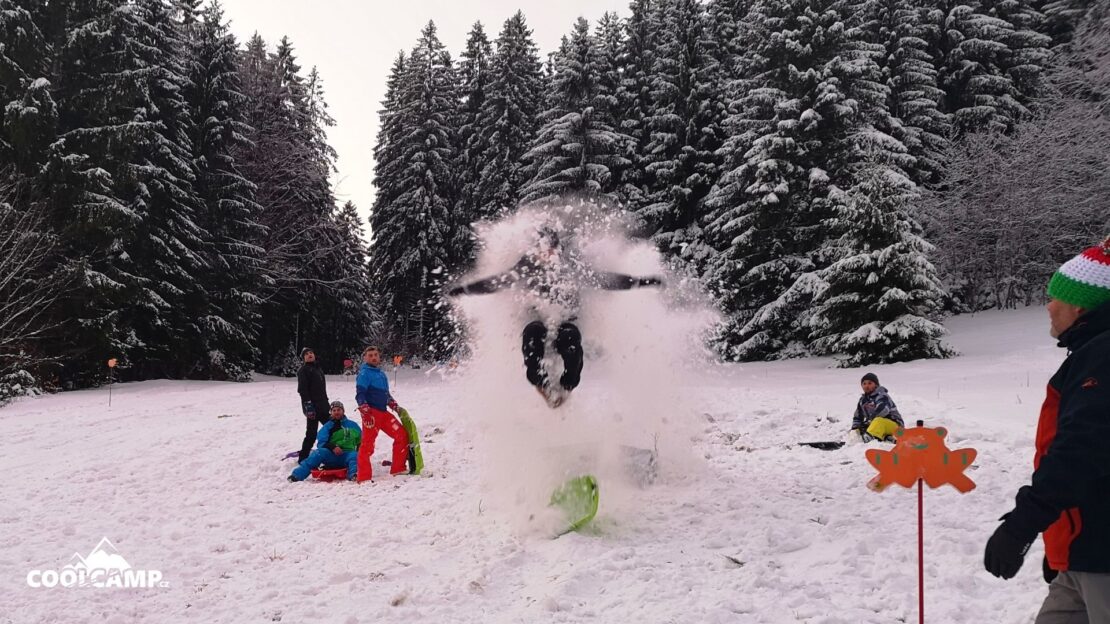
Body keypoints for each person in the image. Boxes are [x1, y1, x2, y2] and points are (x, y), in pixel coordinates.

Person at [984, 237, 1110, 623]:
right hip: (1084, 551)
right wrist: (1061, 545)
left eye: (1054, 297)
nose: (1048, 306)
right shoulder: (1089, 353)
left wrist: (1023, 525)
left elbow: (1081, 450)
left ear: (1080, 306)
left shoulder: (1103, 356)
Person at [446, 227, 662, 407]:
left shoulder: (571, 266)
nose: (545, 255)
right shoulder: (526, 267)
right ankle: (542, 385)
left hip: (566, 321)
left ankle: (567, 386)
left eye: (550, 250)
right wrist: (466, 290)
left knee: (570, 338)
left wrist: (640, 282)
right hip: (537, 321)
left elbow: (605, 279)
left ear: (557, 249)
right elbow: (496, 282)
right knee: (533, 332)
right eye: (541, 250)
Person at [355, 346, 410, 482]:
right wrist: (364, 408)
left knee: (401, 435)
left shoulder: (381, 374)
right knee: (367, 445)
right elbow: (360, 394)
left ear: (379, 357)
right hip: (371, 414)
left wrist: (393, 404)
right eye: (370, 355)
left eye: (376, 355)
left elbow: (385, 395)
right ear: (365, 358)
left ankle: (398, 468)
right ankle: (364, 477)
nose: (373, 357)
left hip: (384, 413)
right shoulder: (364, 374)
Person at [288, 401, 361, 482]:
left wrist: (360, 452)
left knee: (355, 456)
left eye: (339, 410)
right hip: (331, 455)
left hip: (348, 454)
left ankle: (354, 475)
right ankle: (297, 475)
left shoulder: (353, 425)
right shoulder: (328, 426)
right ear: (331, 412)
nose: (336, 412)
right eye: (334, 410)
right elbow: (321, 443)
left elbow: (361, 441)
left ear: (343, 411)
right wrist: (333, 447)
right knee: (318, 453)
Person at [295, 347, 329, 462]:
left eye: (311, 353)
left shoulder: (318, 369)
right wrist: (308, 405)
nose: (309, 355)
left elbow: (322, 389)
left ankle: (332, 451)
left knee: (332, 428)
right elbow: (302, 390)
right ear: (303, 358)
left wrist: (326, 403)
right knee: (311, 434)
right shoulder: (303, 371)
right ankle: (303, 457)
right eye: (306, 354)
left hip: (323, 406)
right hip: (312, 407)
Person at [850, 373, 904, 443]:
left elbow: (883, 410)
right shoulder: (863, 401)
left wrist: (869, 422)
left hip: (896, 427)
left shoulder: (882, 396)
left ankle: (871, 441)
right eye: (864, 384)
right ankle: (887, 438)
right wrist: (855, 428)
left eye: (870, 383)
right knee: (858, 430)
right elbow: (858, 416)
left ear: (876, 384)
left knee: (878, 421)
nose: (866, 386)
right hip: (876, 425)